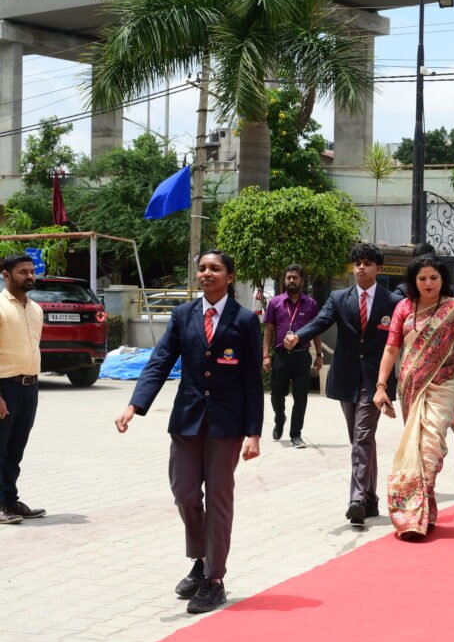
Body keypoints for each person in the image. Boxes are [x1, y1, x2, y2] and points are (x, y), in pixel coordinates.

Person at [115, 250, 263, 614]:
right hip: (187, 420)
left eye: (215, 268)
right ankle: (201, 559)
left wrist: (254, 433)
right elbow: (161, 360)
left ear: (230, 276)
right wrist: (135, 405)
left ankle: (214, 579)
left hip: (226, 426)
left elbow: (252, 380)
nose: (207, 273)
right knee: (184, 493)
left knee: (219, 500)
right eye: (202, 268)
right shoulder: (183, 315)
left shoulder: (245, 320)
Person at [372, 256, 454, 539]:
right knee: (414, 446)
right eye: (422, 278)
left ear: (442, 279)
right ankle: (424, 512)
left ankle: (412, 515)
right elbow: (391, 348)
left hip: (445, 386)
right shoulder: (403, 308)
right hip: (411, 387)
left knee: (429, 449)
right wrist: (381, 385)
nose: (428, 283)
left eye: (433, 278)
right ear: (414, 281)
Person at [285, 243, 399, 526]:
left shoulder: (392, 301)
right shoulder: (338, 298)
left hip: (376, 380)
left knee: (362, 436)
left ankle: (356, 500)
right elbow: (320, 322)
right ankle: (370, 499)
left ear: (378, 268)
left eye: (367, 263)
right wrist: (298, 336)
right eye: (357, 263)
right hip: (347, 377)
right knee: (360, 439)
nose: (361, 267)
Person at [0, 254, 45, 525]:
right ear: (6, 275)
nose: (29, 276)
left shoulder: (36, 309)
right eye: (22, 272)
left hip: (30, 388)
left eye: (31, 271)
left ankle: (10, 501)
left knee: (16, 450)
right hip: (5, 387)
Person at [262, 264, 323, 448]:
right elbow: (268, 331)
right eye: (288, 277)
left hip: (301, 357)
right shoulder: (275, 303)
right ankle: (279, 419)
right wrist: (265, 356)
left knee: (301, 397)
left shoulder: (311, 304)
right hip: (281, 356)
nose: (291, 280)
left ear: (301, 281)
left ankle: (296, 434)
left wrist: (319, 355)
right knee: (276, 395)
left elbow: (316, 331)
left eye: (295, 277)